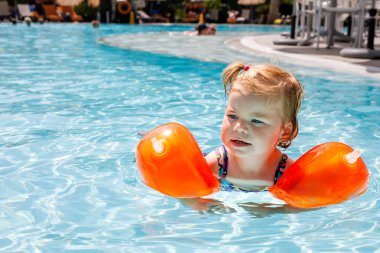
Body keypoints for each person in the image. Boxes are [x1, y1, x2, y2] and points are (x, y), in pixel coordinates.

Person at [204, 62, 304, 193]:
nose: (239, 127)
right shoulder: (215, 165)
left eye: (256, 121)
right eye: (233, 116)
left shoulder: (287, 173)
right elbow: (191, 197)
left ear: (284, 131)